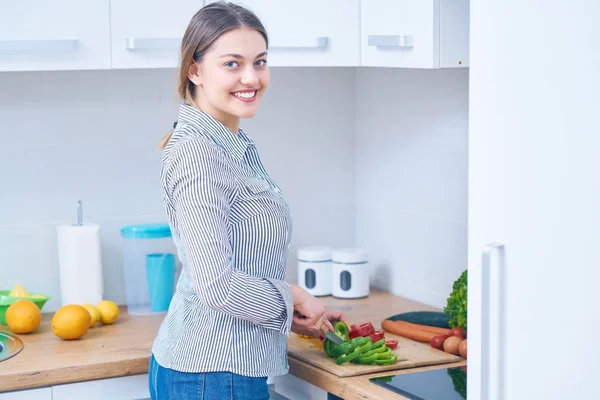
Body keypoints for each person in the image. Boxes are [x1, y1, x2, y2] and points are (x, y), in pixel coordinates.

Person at [149, 2, 346, 399]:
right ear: (195, 70)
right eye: (232, 64)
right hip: (211, 376)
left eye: (260, 61)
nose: (251, 77)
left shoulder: (230, 143)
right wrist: (291, 296)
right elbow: (217, 286)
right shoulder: (198, 155)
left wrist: (290, 316)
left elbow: (238, 266)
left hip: (225, 371)